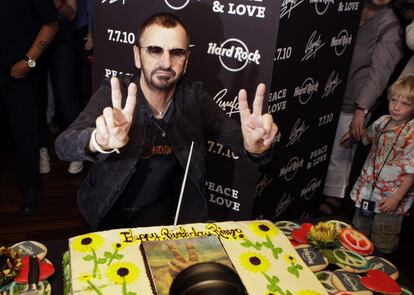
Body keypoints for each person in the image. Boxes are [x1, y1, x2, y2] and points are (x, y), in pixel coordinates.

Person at [55, 13, 278, 230]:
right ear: (137, 55)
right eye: (154, 50)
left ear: (186, 60)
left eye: (177, 53)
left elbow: (238, 138)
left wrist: (255, 146)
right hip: (105, 211)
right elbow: (63, 146)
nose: (166, 62)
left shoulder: (194, 97)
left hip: (160, 218)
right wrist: (97, 141)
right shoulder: (115, 95)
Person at [319, 0, 404, 215]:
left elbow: (379, 73)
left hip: (355, 98)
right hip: (327, 90)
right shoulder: (350, 6)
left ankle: (334, 197)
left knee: (342, 150)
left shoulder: (390, 26)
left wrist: (361, 108)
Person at [342, 75, 414, 254]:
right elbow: (366, 137)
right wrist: (352, 136)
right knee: (358, 236)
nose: (396, 107)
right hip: (367, 193)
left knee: (383, 243)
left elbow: (411, 172)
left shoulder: (412, 134)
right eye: (394, 100)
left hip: (389, 201)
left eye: (405, 103)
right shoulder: (382, 121)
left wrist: (396, 198)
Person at [0, 1, 58, 215]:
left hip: (19, 74)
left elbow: (51, 24)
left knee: (24, 132)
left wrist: (28, 63)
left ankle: (31, 189)